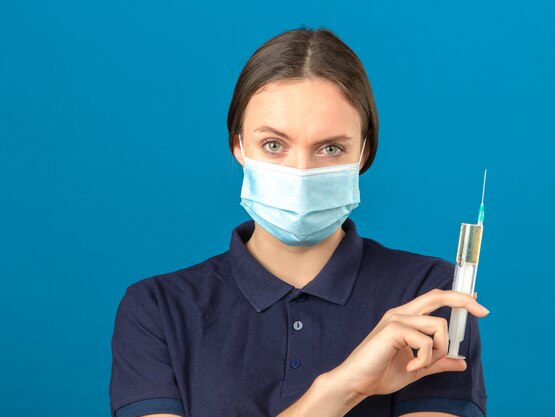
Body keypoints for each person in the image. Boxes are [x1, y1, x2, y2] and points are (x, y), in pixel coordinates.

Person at [109, 27, 489, 417]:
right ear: (238, 144)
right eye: (274, 145)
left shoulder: (428, 299)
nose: (301, 172)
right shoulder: (159, 310)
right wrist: (342, 387)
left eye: (331, 148)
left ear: (364, 152)